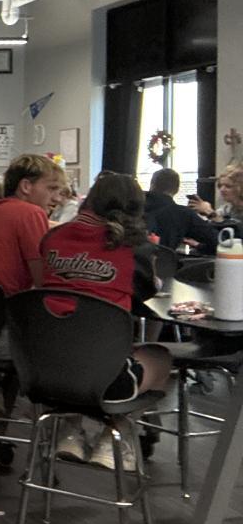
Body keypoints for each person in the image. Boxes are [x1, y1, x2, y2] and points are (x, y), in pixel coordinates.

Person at [39, 173, 172, 469]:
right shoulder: (134, 248)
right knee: (159, 356)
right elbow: (145, 295)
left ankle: (70, 432)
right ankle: (115, 437)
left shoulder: (52, 238)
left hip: (42, 371)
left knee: (74, 333)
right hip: (105, 380)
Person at [0, 153, 66, 297]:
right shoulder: (31, 212)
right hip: (1, 304)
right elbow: (42, 280)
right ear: (26, 186)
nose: (57, 199)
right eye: (51, 189)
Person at [144, 167, 218, 253]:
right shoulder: (183, 214)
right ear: (177, 190)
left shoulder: (133, 205)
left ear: (152, 185)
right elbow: (216, 241)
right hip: (161, 260)